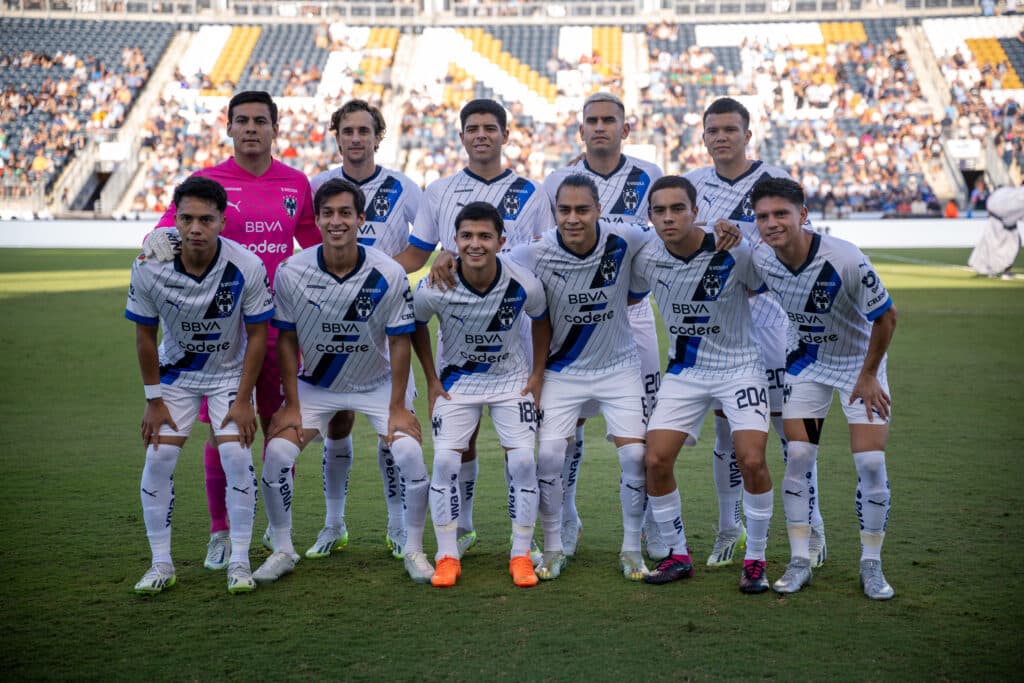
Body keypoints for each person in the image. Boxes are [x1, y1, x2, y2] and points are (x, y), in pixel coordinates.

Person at [142, 91, 321, 571]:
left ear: (275, 129)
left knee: (279, 426)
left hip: (279, 325)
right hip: (221, 335)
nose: (250, 129)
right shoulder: (208, 183)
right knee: (223, 433)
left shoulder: (296, 182)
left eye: (260, 121)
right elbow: (165, 231)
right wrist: (155, 238)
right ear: (228, 127)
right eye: (241, 120)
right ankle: (220, 530)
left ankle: (274, 524)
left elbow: (315, 242)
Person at [251, 179, 433, 586]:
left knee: (408, 455)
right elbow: (287, 339)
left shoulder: (387, 271)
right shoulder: (292, 271)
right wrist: (293, 404)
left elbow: (400, 341)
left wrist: (399, 406)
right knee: (278, 454)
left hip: (379, 382)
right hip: (318, 383)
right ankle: (283, 549)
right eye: (328, 213)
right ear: (316, 220)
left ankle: (415, 549)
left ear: (360, 219)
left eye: (345, 213)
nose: (337, 221)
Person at [395, 98, 552, 557]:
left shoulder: (532, 191)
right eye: (472, 128)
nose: (481, 134)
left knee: (517, 443)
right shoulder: (440, 190)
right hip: (460, 325)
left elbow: (544, 252)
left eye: (490, 127)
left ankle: (525, 539)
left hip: (516, 325)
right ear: (461, 136)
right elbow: (419, 255)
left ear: (506, 134)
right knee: (460, 442)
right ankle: (461, 527)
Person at [684, 97, 826, 569]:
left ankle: (813, 527)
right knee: (730, 440)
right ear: (702, 137)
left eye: (730, 129)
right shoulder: (691, 187)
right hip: (723, 328)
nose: (721, 137)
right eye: (712, 130)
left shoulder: (774, 180)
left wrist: (743, 236)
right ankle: (730, 529)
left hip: (776, 323)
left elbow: (803, 241)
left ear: (748, 134)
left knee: (796, 439)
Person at [748, 177, 898, 600]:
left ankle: (872, 565)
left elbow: (887, 317)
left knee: (870, 463)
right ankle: (800, 560)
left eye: (782, 214)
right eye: (763, 216)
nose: (772, 223)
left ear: (803, 215)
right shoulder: (762, 259)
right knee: (797, 455)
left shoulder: (845, 258)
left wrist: (868, 375)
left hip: (859, 368)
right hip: (807, 363)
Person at [126, 176, 273, 595]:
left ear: (222, 222)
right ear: (174, 219)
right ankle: (161, 564)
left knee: (236, 457)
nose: (195, 228)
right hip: (176, 377)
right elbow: (144, 337)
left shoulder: (246, 265)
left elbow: (258, 334)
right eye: (186, 218)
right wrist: (153, 400)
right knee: (158, 460)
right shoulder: (148, 266)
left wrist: (245, 400)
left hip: (228, 376)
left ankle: (240, 562)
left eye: (206, 219)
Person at [632, 176, 775, 593]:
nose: (669, 217)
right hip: (686, 371)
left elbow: (768, 283)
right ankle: (678, 555)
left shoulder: (733, 249)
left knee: (751, 460)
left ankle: (756, 559)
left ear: (697, 211)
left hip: (740, 366)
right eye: (659, 211)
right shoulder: (645, 257)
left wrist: (734, 230)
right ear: (650, 217)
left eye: (678, 208)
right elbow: (625, 295)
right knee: (655, 460)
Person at [508, 174, 649, 582]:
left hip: (619, 367)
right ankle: (553, 548)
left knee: (635, 457)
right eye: (564, 210)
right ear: (554, 213)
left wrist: (720, 231)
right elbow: (485, 262)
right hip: (563, 372)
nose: (573, 218)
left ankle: (632, 550)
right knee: (550, 456)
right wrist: (449, 261)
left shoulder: (625, 238)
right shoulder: (534, 253)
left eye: (582, 210)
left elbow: (673, 232)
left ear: (599, 211)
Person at [542, 92, 664, 559]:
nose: (600, 127)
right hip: (572, 317)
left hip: (631, 316)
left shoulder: (648, 175)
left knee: (641, 430)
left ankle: (648, 525)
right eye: (591, 120)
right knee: (564, 432)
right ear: (580, 130)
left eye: (608, 120)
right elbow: (542, 244)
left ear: (625, 128)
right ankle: (567, 523)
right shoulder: (558, 180)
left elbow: (659, 243)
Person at [411, 202, 550, 588]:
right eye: (467, 236)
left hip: (511, 381)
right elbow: (416, 325)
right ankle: (446, 556)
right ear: (454, 241)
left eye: (485, 236)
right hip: (457, 383)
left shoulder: (523, 281)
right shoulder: (436, 283)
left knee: (523, 462)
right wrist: (431, 380)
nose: (476, 244)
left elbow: (542, 320)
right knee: (443, 464)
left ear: (501, 241)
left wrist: (537, 375)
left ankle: (521, 554)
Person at [308, 99, 423, 560]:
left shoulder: (404, 187)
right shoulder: (317, 186)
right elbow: (305, 248)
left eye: (364, 131)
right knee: (337, 422)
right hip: (329, 323)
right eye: (347, 130)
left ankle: (397, 526)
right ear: (336, 136)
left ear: (379, 136)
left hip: (387, 320)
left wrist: (373, 278)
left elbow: (422, 249)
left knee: (390, 427)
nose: (356, 138)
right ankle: (334, 524)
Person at [968, 184, 1024, 277]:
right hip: (1001, 222)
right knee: (1006, 247)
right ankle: (998, 270)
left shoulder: (1006, 196)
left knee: (1010, 247)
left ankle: (1000, 270)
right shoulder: (1011, 197)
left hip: (1006, 222)